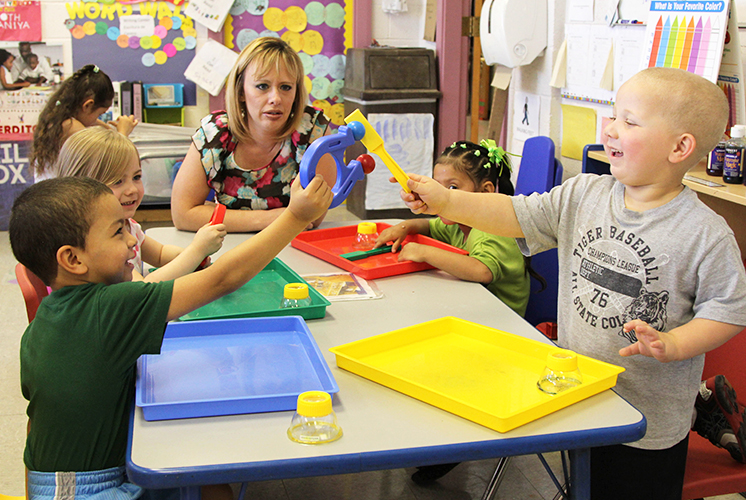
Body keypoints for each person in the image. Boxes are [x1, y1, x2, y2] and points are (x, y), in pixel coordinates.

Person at [398, 67, 746, 499]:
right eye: (614, 116)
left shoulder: (705, 232)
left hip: (647, 422)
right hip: (579, 397)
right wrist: (448, 200)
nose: (611, 129)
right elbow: (513, 214)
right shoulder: (584, 194)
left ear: (680, 147)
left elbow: (728, 310)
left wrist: (676, 345)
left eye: (629, 121)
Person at [10, 174, 332, 500]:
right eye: (118, 231)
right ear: (73, 259)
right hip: (94, 491)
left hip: (52, 486)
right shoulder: (110, 308)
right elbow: (222, 278)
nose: (133, 242)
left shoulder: (41, 325)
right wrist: (295, 217)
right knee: (213, 485)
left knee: (211, 485)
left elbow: (34, 423)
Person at [171, 36, 336, 233]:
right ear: (241, 91)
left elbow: (312, 217)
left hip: (292, 249)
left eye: (286, 87)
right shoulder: (214, 132)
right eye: (262, 86)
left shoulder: (313, 130)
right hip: (226, 249)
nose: (275, 98)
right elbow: (182, 215)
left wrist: (214, 216)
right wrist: (272, 218)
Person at [374, 140, 531, 317]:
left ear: (485, 191)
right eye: (436, 187)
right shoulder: (460, 221)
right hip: (473, 309)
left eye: (452, 187)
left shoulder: (492, 230)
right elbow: (430, 227)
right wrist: (405, 227)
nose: (440, 196)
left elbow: (482, 270)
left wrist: (425, 252)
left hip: (501, 323)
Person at [55, 127, 226, 282]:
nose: (132, 190)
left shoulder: (128, 226)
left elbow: (160, 254)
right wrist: (195, 252)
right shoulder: (103, 243)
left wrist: (195, 257)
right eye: (117, 182)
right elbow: (143, 290)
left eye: (136, 177)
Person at [30, 64, 138, 180]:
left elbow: (93, 122)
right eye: (100, 114)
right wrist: (123, 133)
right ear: (87, 105)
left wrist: (111, 131)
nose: (97, 119)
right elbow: (109, 162)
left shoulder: (59, 118)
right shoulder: (72, 128)